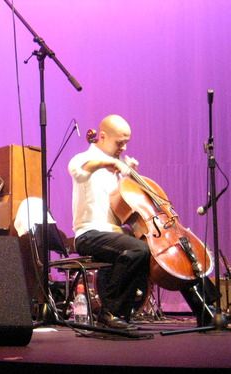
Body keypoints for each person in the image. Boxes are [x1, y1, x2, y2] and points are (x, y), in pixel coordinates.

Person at [67, 114, 219, 330]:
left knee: (175, 251)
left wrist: (129, 177)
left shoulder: (119, 170)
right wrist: (110, 162)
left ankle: (205, 309)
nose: (124, 148)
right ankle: (111, 313)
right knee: (139, 250)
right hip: (90, 233)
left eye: (126, 142)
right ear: (102, 136)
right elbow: (79, 172)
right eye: (120, 142)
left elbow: (130, 207)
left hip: (117, 233)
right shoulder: (83, 159)